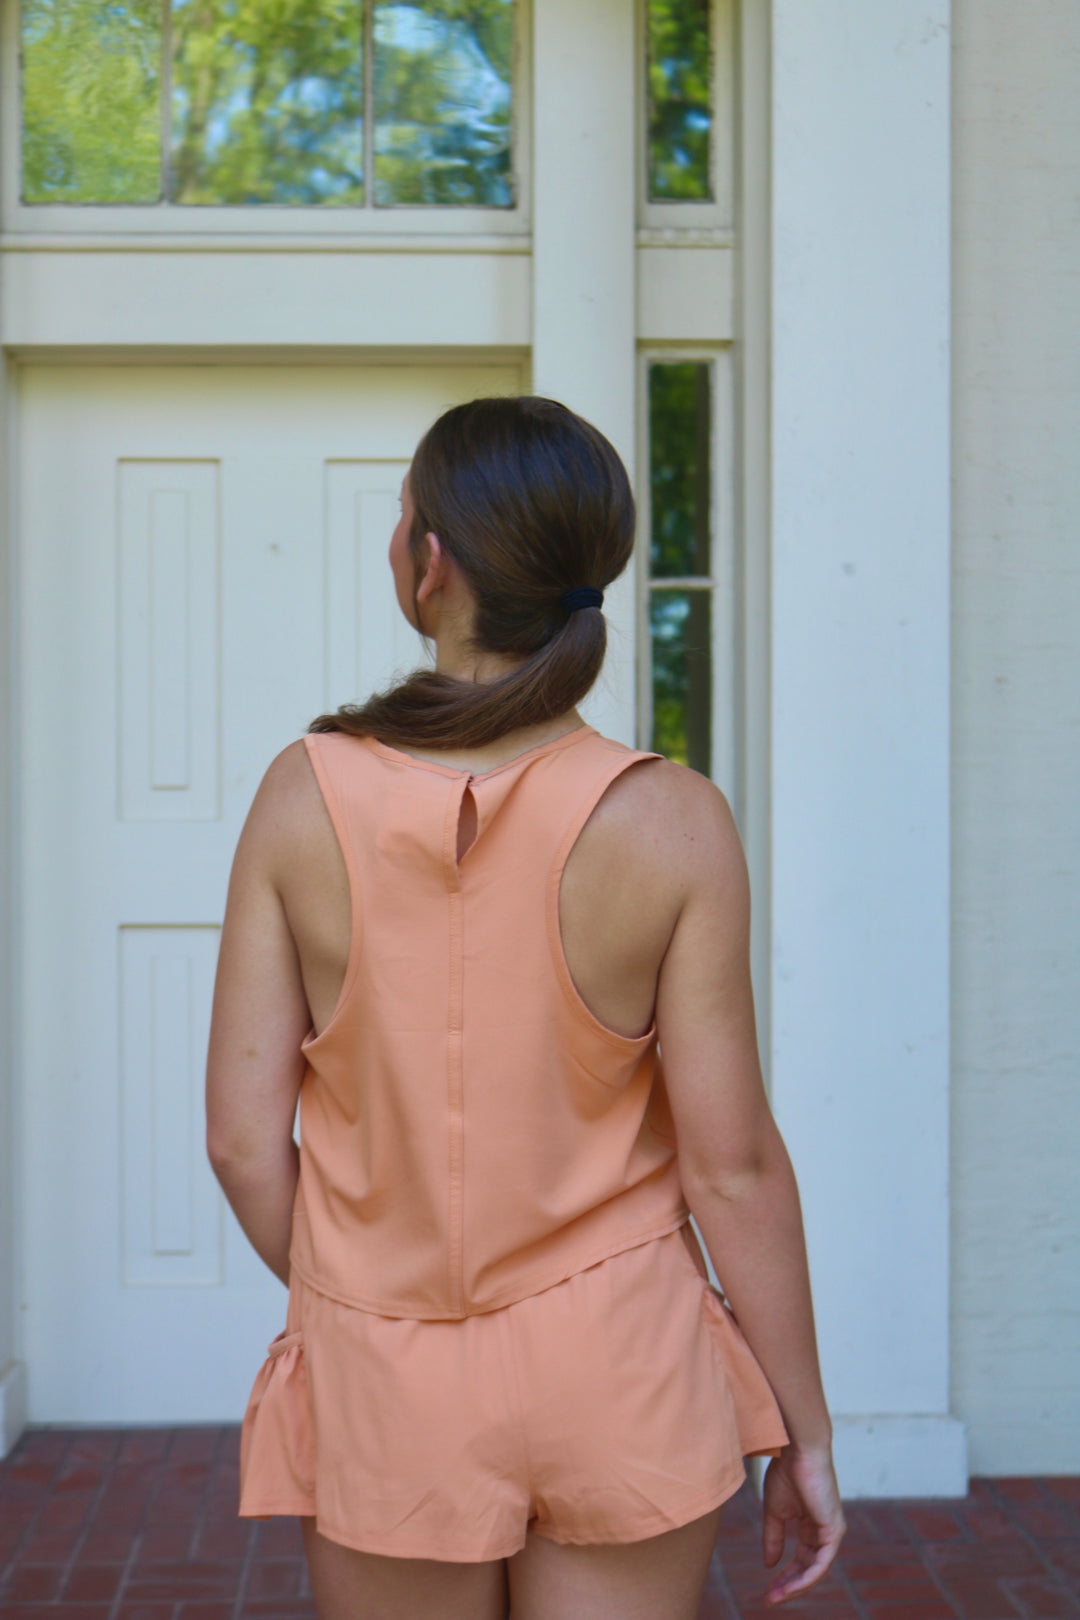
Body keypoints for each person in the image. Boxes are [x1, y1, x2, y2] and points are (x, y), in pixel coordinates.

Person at [206, 395, 845, 1620]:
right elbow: (737, 1169)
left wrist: (362, 1305)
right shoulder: (673, 820)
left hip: (387, 1371)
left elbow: (243, 1144)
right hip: (622, 1357)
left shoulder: (302, 796)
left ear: (427, 562)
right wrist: (803, 1430)